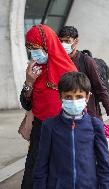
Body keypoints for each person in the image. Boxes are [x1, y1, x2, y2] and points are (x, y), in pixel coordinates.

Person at [20, 24, 78, 189]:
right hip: (40, 130)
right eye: (30, 48)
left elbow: (78, 104)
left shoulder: (69, 70)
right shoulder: (35, 70)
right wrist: (29, 83)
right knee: (36, 171)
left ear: (48, 45)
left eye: (36, 48)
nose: (34, 53)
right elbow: (26, 104)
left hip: (64, 131)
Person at [33, 72, 109, 189]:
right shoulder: (50, 125)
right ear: (60, 97)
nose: (74, 101)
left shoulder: (95, 125)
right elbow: (41, 163)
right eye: (68, 97)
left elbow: (104, 164)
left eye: (79, 97)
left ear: (87, 97)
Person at [58, 26, 109, 126]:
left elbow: (100, 87)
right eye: (61, 41)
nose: (63, 44)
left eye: (67, 41)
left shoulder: (86, 61)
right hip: (65, 115)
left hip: (89, 114)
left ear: (76, 41)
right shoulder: (58, 61)